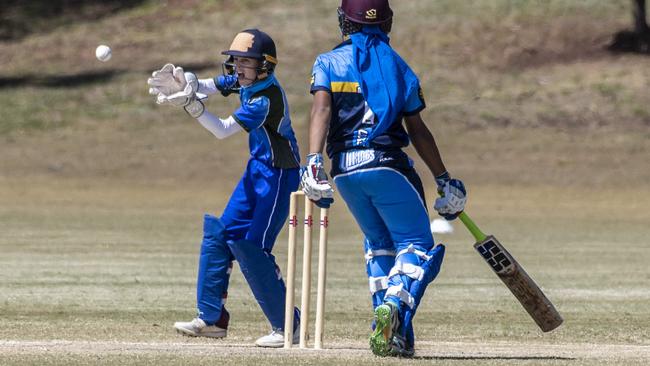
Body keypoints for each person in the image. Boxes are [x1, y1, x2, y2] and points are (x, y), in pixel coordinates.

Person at [300, 0, 467, 357]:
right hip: (386, 165)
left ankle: (392, 334)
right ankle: (392, 303)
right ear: (388, 22)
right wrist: (444, 178)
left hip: (345, 170)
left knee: (379, 244)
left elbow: (321, 110)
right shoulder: (400, 67)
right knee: (416, 245)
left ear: (344, 21)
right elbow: (417, 131)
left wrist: (313, 162)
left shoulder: (327, 62)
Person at [147, 29, 301, 348]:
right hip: (257, 169)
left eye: (246, 62)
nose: (237, 67)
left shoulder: (263, 98)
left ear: (265, 66)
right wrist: (188, 83)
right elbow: (210, 85)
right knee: (220, 234)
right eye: (236, 61)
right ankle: (212, 318)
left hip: (280, 175)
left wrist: (193, 108)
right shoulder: (244, 81)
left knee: (251, 247)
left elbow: (222, 130)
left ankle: (289, 326)